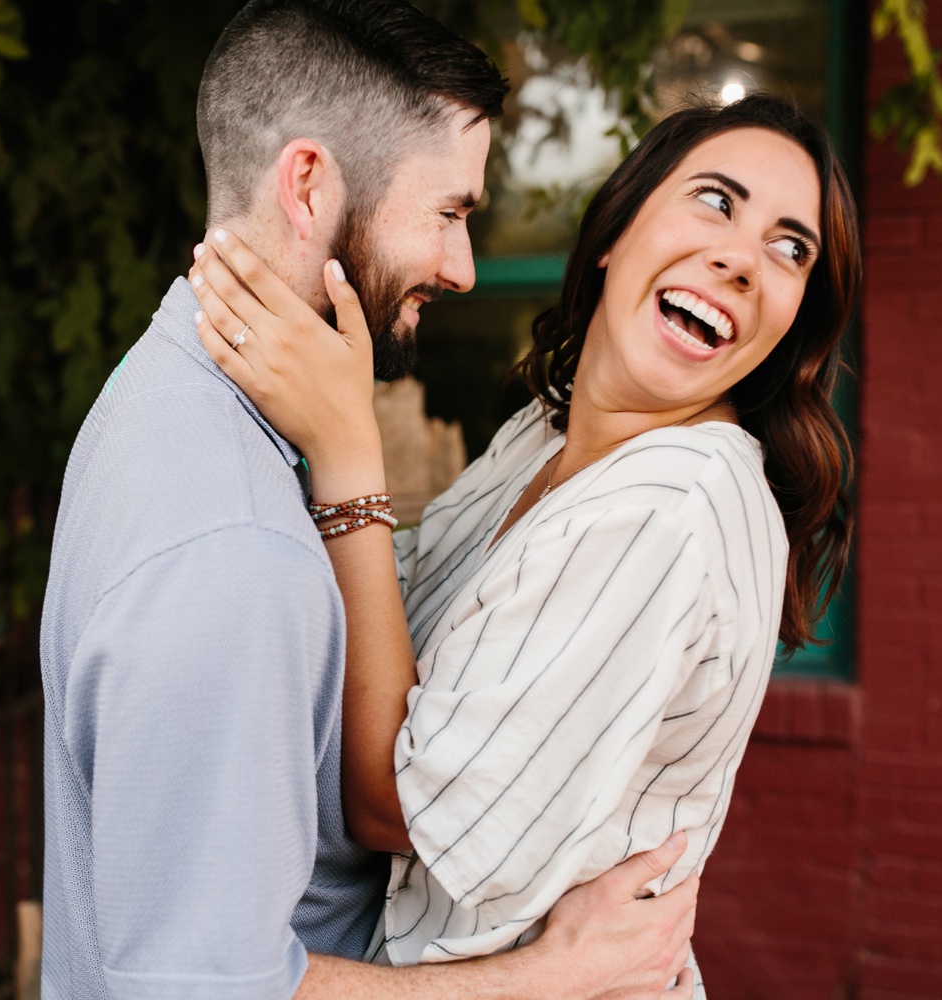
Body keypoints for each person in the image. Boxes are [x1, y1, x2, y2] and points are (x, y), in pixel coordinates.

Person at [38, 1, 700, 998]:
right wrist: (551, 973)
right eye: (449, 213)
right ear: (310, 184)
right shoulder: (235, 546)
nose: (464, 267)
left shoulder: (159, 388)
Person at [187, 93, 861, 997]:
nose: (743, 260)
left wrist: (347, 449)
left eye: (791, 249)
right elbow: (383, 626)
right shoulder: (544, 438)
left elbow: (400, 806)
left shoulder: (671, 505)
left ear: (790, 319)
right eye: (715, 200)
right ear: (619, 229)